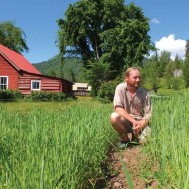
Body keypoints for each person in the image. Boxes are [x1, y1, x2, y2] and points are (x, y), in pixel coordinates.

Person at [110, 67, 152, 149]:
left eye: (139, 77)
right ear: (127, 78)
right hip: (126, 120)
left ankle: (137, 137)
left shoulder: (144, 92)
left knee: (145, 141)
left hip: (140, 122)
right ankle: (125, 139)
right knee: (114, 117)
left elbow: (149, 114)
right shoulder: (120, 88)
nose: (138, 80)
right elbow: (118, 108)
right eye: (135, 77)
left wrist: (141, 124)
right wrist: (133, 121)